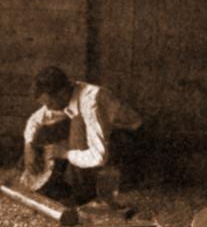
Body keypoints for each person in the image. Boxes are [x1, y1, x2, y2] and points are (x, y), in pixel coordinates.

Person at [22, 66, 142, 204]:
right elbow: (35, 119)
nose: (48, 108)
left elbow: (99, 156)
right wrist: (28, 146)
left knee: (77, 124)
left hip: (129, 142)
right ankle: (57, 179)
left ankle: (82, 190)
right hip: (103, 135)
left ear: (62, 93)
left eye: (50, 103)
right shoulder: (67, 95)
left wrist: (64, 154)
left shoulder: (91, 102)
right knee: (42, 131)